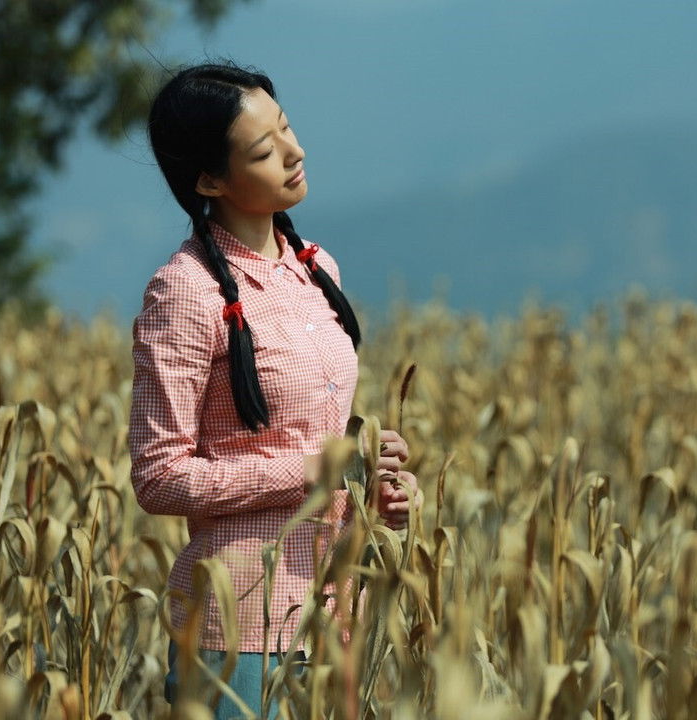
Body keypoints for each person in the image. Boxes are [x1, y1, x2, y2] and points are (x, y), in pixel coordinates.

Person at [129, 62, 422, 718]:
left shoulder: (318, 268)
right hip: (235, 634)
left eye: (287, 129)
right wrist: (313, 471)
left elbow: (318, 439)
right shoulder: (184, 292)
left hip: (336, 616)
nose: (296, 153)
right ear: (209, 180)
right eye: (265, 150)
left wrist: (367, 476)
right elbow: (158, 478)